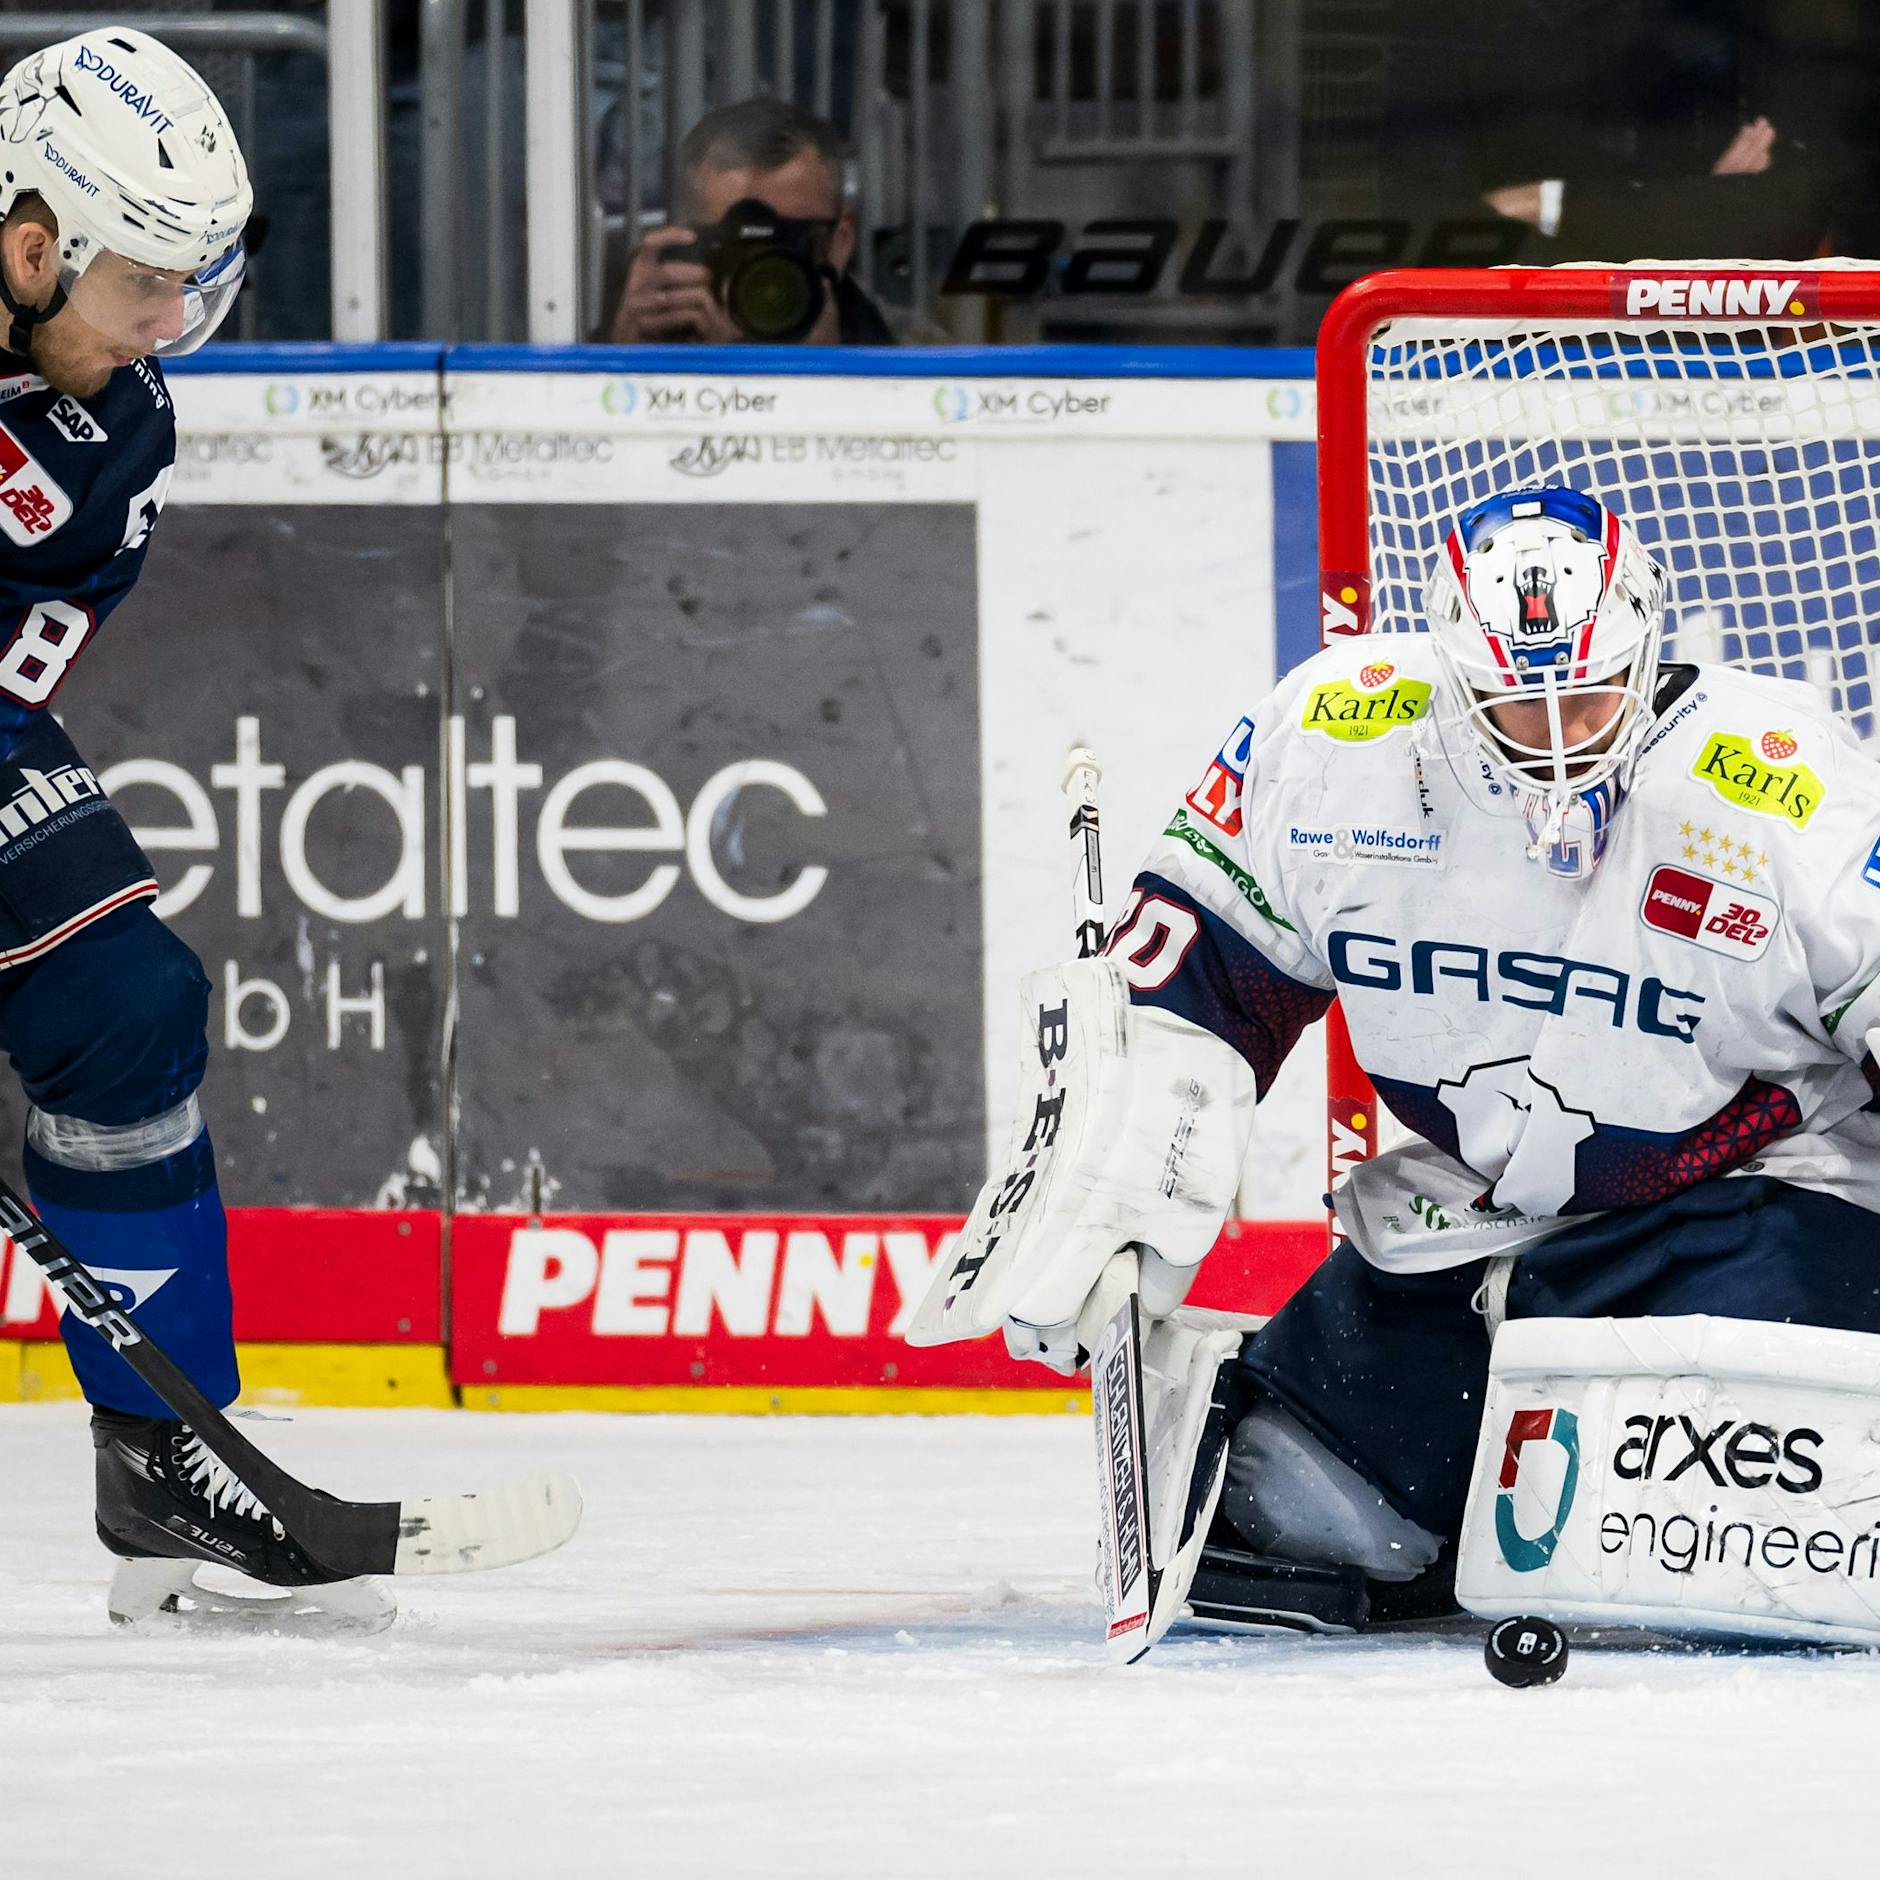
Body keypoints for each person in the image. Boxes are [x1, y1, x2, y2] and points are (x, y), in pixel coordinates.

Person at [919, 482, 1880, 1645]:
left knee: (1733, 1540)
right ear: (1450, 676)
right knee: (1295, 1508)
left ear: (1643, 652)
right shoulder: (1334, 738)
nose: (1556, 742)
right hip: (1488, 1220)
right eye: (1511, 706)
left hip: (1761, 1199)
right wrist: (1107, 1189)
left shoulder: (1781, 781)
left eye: (1585, 697)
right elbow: (1193, 983)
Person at [0, 28, 393, 1629]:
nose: (170, 326)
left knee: (126, 1006)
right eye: (143, 283)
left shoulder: (111, 436)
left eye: (191, 286)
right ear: (31, 247)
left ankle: (164, 1455)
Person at [605, 95, 894, 346]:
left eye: (789, 237)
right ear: (687, 241)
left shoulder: (895, 360)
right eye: (736, 238)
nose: (765, 274)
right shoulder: (659, 317)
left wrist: (834, 369)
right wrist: (627, 358)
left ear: (841, 241)